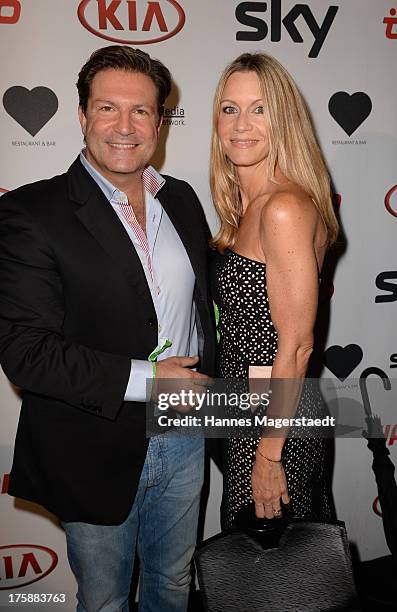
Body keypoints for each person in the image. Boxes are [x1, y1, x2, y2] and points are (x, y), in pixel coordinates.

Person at [0, 46, 215, 611]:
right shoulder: (30, 212)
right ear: (81, 115)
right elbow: (25, 352)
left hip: (184, 436)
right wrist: (150, 380)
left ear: (161, 120)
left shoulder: (185, 201)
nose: (125, 126)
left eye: (142, 111)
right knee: (104, 600)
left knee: (173, 585)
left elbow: (201, 312)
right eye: (107, 109)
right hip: (90, 443)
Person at [210, 52, 338, 530]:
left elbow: (298, 345)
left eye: (259, 109)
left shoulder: (283, 207)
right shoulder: (250, 205)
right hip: (244, 410)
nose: (241, 124)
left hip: (273, 423)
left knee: (273, 579)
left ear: (283, 118)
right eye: (230, 108)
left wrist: (268, 453)